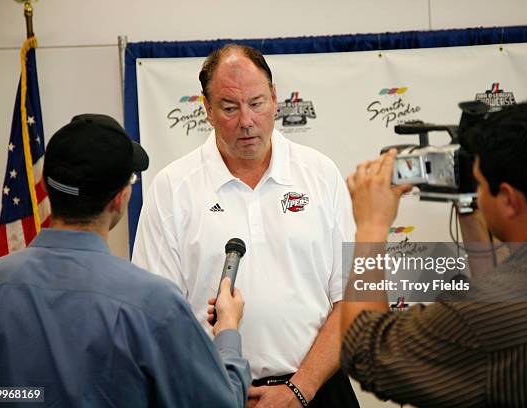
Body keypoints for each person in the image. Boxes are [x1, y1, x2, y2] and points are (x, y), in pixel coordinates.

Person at [133, 44, 359, 407]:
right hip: (212, 394)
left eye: (256, 103)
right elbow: (154, 317)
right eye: (229, 107)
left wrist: (300, 389)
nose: (246, 120)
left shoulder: (320, 174)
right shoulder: (173, 188)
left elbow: (350, 298)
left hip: (317, 391)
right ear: (206, 109)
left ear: (274, 98)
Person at [0, 114, 251, 407]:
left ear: (45, 186)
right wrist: (227, 329)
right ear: (120, 199)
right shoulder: (154, 304)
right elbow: (220, 403)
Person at [341, 100, 527, 407]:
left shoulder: (480, 314)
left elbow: (366, 349)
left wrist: (371, 226)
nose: (479, 193)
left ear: (509, 200)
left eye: (482, 186)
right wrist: (470, 209)